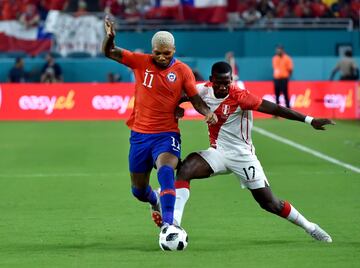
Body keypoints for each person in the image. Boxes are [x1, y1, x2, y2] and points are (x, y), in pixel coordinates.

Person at [172, 61, 334, 243]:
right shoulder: (202, 91)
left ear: (232, 80)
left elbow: (275, 108)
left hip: (243, 156)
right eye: (219, 82)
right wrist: (175, 107)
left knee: (269, 203)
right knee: (185, 170)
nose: (224, 87)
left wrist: (310, 120)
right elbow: (177, 95)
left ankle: (310, 227)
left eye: (227, 82)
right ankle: (174, 225)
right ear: (211, 80)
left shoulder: (241, 97)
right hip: (218, 153)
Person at [102, 17, 217, 230]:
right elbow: (109, 52)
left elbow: (195, 98)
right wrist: (109, 38)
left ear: (174, 49)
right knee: (138, 191)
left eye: (167, 53)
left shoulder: (183, 71)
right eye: (158, 53)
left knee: (165, 171)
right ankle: (154, 200)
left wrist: (207, 112)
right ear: (152, 50)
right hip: (139, 136)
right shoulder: (139, 61)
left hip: (167, 135)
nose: (162, 57)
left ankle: (169, 225)